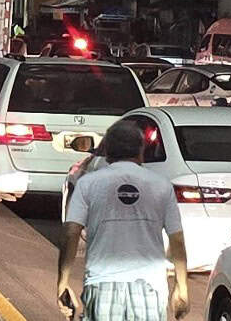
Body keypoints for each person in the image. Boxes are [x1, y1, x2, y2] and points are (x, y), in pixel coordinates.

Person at [57, 121, 189, 321]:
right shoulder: (161, 186)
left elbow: (71, 233)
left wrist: (63, 281)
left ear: (108, 151)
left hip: (102, 285)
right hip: (150, 287)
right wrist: (182, 287)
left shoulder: (88, 184)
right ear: (141, 151)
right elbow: (177, 239)